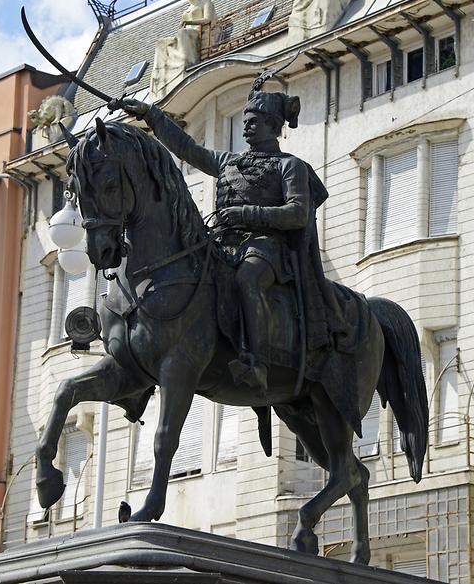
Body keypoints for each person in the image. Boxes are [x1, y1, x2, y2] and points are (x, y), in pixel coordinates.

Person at [122, 79, 343, 393]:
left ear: (272, 125)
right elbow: (187, 149)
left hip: (267, 248)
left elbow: (297, 213)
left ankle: (256, 361)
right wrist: (151, 115)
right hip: (224, 245)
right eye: (245, 122)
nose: (246, 129)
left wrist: (246, 214)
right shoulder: (229, 162)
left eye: (253, 123)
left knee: (246, 281)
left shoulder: (290, 167)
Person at [150, 0, 215, 98]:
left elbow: (208, 19)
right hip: (185, 37)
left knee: (183, 33)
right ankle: (158, 76)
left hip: (199, 34)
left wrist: (189, 23)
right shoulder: (185, 12)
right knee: (160, 43)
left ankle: (187, 65)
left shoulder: (206, 3)